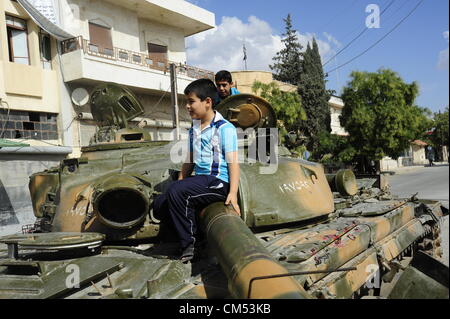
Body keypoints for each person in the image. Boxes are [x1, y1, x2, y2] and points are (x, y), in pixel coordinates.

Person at [158, 78, 240, 262]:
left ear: (208, 102)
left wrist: (233, 192)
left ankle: (191, 245)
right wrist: (180, 181)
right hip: (200, 181)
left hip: (218, 182)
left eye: (191, 101)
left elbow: (233, 162)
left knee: (177, 193)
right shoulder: (194, 128)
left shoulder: (225, 128)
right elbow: (190, 159)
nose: (187, 106)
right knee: (160, 203)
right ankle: (187, 231)